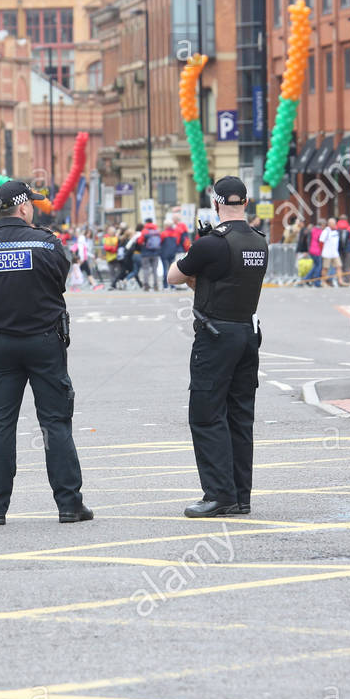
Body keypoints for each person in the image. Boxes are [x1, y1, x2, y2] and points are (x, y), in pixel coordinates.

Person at [0, 180, 91, 527]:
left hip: (1, 345)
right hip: (43, 342)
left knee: (1, 426)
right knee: (55, 423)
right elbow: (60, 279)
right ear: (23, 208)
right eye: (32, 204)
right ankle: (69, 505)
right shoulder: (47, 243)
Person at [167, 176, 268, 518]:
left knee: (208, 415)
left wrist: (198, 262)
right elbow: (233, 278)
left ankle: (218, 495)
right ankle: (241, 496)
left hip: (215, 336)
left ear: (215, 203)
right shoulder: (259, 241)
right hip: (247, 331)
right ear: (247, 202)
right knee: (240, 417)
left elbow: (173, 276)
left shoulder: (211, 243)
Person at [136, 218, 162, 290]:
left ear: (146, 222)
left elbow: (139, 241)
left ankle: (146, 286)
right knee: (155, 270)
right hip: (155, 253)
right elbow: (161, 240)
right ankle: (156, 285)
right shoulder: (157, 231)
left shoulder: (145, 231)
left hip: (145, 253)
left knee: (146, 269)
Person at [320, 216, 342, 286]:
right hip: (327, 253)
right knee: (325, 268)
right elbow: (321, 242)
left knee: (339, 266)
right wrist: (322, 251)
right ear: (329, 224)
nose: (335, 225)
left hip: (335, 253)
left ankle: (340, 281)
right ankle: (323, 282)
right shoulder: (326, 231)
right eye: (333, 224)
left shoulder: (336, 231)